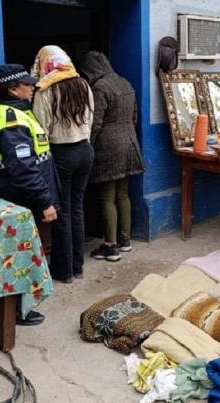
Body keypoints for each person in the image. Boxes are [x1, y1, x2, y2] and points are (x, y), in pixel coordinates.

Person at [0, 64, 61, 326]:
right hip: (21, 201)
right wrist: (45, 201)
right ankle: (17, 310)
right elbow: (23, 170)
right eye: (27, 84)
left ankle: (12, 305)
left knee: (16, 253)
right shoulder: (10, 120)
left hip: (19, 199)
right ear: (13, 89)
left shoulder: (17, 113)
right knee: (20, 256)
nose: (33, 87)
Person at [32, 46, 94, 283]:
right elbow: (91, 118)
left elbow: (41, 128)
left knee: (62, 211)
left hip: (60, 153)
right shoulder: (83, 84)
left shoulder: (45, 90)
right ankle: (78, 266)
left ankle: (63, 271)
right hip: (85, 151)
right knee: (77, 208)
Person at [80, 51, 145, 262]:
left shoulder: (100, 87)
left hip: (108, 147)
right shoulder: (125, 83)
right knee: (123, 194)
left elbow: (96, 123)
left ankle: (110, 245)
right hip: (129, 143)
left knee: (107, 196)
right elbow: (134, 116)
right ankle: (125, 240)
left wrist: (88, 145)